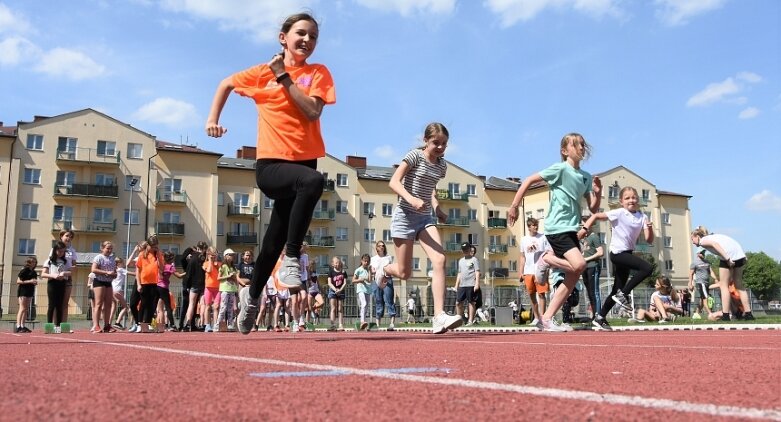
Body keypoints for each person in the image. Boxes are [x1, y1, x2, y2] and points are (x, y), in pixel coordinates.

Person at [206, 12, 336, 335]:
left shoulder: (317, 73)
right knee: (315, 182)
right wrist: (212, 119)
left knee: (269, 245)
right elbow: (225, 83)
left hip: (303, 164)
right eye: (301, 33)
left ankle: (251, 299)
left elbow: (311, 111)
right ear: (284, 37)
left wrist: (285, 77)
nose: (307, 40)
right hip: (271, 167)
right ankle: (293, 258)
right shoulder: (261, 74)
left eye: (313, 37)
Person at [507, 133, 602, 332]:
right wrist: (514, 206)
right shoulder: (559, 169)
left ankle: (547, 318)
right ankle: (547, 260)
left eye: (583, 145)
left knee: (575, 273)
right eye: (576, 145)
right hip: (557, 228)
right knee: (580, 264)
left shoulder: (585, 177)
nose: (581, 148)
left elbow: (593, 209)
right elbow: (529, 180)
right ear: (565, 151)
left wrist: (598, 192)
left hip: (571, 228)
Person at [377, 123, 463, 334]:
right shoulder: (414, 156)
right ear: (426, 141)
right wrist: (411, 199)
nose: (441, 147)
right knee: (404, 273)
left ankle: (439, 316)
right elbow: (394, 182)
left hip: (424, 218)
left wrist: (438, 209)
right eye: (436, 143)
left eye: (444, 144)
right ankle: (384, 269)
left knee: (440, 259)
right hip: (404, 217)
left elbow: (430, 188)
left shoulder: (442, 167)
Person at [582, 186, 653, 331]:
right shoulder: (619, 213)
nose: (631, 200)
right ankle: (624, 294)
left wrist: (650, 228)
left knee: (616, 289)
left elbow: (649, 240)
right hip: (617, 254)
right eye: (627, 198)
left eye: (633, 197)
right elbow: (595, 216)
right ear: (621, 201)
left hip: (627, 254)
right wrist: (583, 230)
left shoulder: (643, 217)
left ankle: (600, 317)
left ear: (638, 200)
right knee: (647, 268)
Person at [691, 226, 754, 321]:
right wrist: (742, 255)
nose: (693, 242)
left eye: (692, 239)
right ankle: (748, 314)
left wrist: (727, 259)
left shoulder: (703, 241)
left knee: (723, 286)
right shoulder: (714, 236)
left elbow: (715, 245)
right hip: (739, 255)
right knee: (739, 285)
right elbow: (731, 242)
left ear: (697, 236)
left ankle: (725, 315)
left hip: (728, 256)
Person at [518, 218, 548, 329]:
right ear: (529, 226)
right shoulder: (524, 239)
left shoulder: (543, 237)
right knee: (531, 295)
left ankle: (543, 318)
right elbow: (522, 256)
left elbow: (547, 253)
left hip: (540, 269)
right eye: (534, 225)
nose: (536, 227)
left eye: (537, 225)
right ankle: (536, 318)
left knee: (541, 294)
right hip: (528, 271)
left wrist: (546, 269)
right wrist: (520, 272)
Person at [134, 235, 165, 333]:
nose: (154, 249)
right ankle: (141, 324)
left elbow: (162, 268)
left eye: (156, 247)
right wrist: (138, 284)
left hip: (154, 282)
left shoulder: (157, 255)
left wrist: (159, 256)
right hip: (144, 282)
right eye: (153, 247)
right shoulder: (142, 255)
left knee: (152, 305)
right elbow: (138, 271)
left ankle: (147, 324)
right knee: (143, 304)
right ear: (148, 245)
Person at [42, 241, 71, 333]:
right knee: (52, 305)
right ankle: (49, 326)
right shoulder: (49, 261)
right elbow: (43, 274)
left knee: (60, 305)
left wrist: (64, 273)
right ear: (55, 250)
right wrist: (53, 275)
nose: (61, 253)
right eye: (59, 251)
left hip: (62, 283)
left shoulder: (65, 261)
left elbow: (70, 272)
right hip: (52, 283)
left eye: (62, 251)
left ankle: (58, 326)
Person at [91, 241, 118, 333]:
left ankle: (107, 325)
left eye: (111, 248)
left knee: (108, 304)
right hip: (99, 282)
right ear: (102, 248)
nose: (109, 250)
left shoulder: (112, 259)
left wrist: (114, 274)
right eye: (107, 248)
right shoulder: (98, 257)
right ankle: (96, 325)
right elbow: (93, 269)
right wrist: (106, 272)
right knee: (98, 304)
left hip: (108, 283)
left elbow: (114, 272)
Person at [371, 240, 398, 331]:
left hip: (387, 280)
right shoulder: (373, 259)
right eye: (379, 246)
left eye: (383, 245)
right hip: (377, 281)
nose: (381, 247)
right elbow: (372, 270)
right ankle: (378, 323)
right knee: (378, 301)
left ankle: (391, 323)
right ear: (377, 248)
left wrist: (387, 275)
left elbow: (391, 269)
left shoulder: (389, 258)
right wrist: (372, 271)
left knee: (389, 300)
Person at [182, 241, 208, 331]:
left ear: (197, 248)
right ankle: (202, 323)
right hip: (204, 283)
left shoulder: (192, 258)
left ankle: (188, 324)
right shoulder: (205, 258)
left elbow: (189, 273)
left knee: (191, 304)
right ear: (204, 249)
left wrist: (186, 285)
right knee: (203, 304)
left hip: (194, 284)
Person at [53, 230, 77, 326]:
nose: (69, 238)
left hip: (67, 278)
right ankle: (55, 325)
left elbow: (74, 266)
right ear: (61, 236)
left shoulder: (72, 251)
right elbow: (51, 263)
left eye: (71, 237)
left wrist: (71, 269)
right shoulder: (55, 249)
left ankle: (64, 326)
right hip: (56, 278)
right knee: (56, 303)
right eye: (67, 236)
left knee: (65, 303)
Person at [580, 223, 604, 319]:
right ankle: (593, 314)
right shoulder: (584, 239)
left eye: (584, 226)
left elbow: (601, 252)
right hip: (585, 268)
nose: (582, 228)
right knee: (589, 292)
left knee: (594, 292)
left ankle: (598, 315)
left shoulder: (594, 237)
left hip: (593, 266)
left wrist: (587, 259)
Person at [455, 241, 481, 326]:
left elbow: (477, 272)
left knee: (471, 302)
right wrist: (456, 285)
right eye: (464, 249)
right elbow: (459, 273)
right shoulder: (461, 261)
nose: (465, 251)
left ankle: (470, 321)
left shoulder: (474, 260)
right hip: (462, 285)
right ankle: (460, 319)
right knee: (458, 303)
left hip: (471, 284)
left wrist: (477, 283)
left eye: (467, 249)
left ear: (470, 249)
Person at [157, 251, 183, 332]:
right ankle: (172, 325)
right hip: (164, 288)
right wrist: (188, 273)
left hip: (157, 286)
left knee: (158, 308)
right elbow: (179, 276)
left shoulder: (160, 265)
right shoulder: (170, 267)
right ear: (171, 259)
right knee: (168, 308)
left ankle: (153, 324)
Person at [689, 249, 718, 319]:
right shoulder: (694, 263)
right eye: (702, 252)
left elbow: (711, 272)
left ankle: (696, 313)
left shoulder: (707, 262)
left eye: (704, 252)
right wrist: (690, 283)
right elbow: (691, 274)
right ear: (698, 254)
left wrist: (716, 279)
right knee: (706, 298)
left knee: (702, 299)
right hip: (700, 283)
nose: (703, 254)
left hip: (707, 283)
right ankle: (710, 314)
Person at [216, 249, 240, 332]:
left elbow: (236, 279)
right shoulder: (223, 266)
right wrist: (228, 276)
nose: (232, 256)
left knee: (230, 308)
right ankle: (218, 324)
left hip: (232, 289)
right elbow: (218, 278)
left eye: (233, 255)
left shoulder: (233, 267)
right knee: (223, 307)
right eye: (230, 255)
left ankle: (230, 324)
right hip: (225, 289)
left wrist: (237, 288)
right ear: (225, 256)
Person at [111, 256, 136, 330]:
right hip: (118, 290)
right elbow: (131, 273)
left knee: (114, 306)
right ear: (119, 263)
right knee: (125, 307)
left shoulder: (115, 270)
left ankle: (112, 322)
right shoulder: (121, 269)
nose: (123, 264)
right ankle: (117, 322)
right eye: (122, 263)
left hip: (112, 290)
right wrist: (139, 273)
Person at [16, 257, 38, 333]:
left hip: (30, 291)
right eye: (32, 262)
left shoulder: (34, 272)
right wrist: (30, 281)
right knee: (22, 308)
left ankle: (23, 325)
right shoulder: (24, 270)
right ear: (28, 262)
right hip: (23, 291)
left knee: (26, 309)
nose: (34, 263)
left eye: (35, 262)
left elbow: (34, 281)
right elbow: (18, 281)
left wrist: (34, 282)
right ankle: (18, 326)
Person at [202, 246, 221, 332]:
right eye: (211, 255)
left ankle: (216, 325)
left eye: (214, 255)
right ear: (208, 255)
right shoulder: (205, 263)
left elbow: (221, 272)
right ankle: (207, 325)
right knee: (208, 306)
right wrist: (210, 260)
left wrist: (216, 265)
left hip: (217, 288)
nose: (213, 256)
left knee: (216, 307)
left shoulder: (219, 264)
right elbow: (209, 270)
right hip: (209, 287)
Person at [327, 256, 347, 331]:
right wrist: (335, 289)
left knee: (340, 308)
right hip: (333, 291)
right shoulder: (331, 272)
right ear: (332, 264)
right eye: (335, 263)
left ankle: (341, 324)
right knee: (333, 308)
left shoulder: (343, 272)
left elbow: (345, 283)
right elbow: (329, 283)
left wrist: (340, 290)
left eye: (338, 262)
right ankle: (332, 324)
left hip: (341, 291)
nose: (337, 264)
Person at [353, 254, 372, 330]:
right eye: (365, 261)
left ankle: (363, 322)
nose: (366, 262)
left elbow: (369, 280)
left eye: (368, 261)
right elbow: (353, 280)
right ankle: (362, 321)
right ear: (362, 261)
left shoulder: (368, 270)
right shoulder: (358, 270)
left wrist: (370, 271)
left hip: (367, 290)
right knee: (363, 303)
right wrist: (360, 280)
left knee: (366, 305)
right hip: (360, 289)